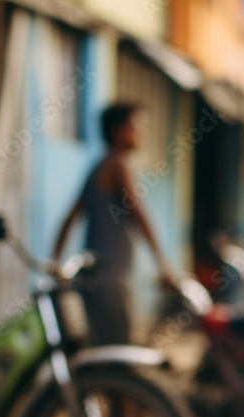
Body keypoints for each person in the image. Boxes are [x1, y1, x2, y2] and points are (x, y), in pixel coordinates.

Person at [52, 103, 178, 345]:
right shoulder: (118, 166)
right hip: (111, 277)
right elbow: (139, 215)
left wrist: (55, 261)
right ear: (118, 131)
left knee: (101, 345)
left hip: (93, 275)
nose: (143, 133)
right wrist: (163, 264)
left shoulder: (98, 167)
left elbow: (69, 218)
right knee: (117, 348)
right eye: (137, 127)